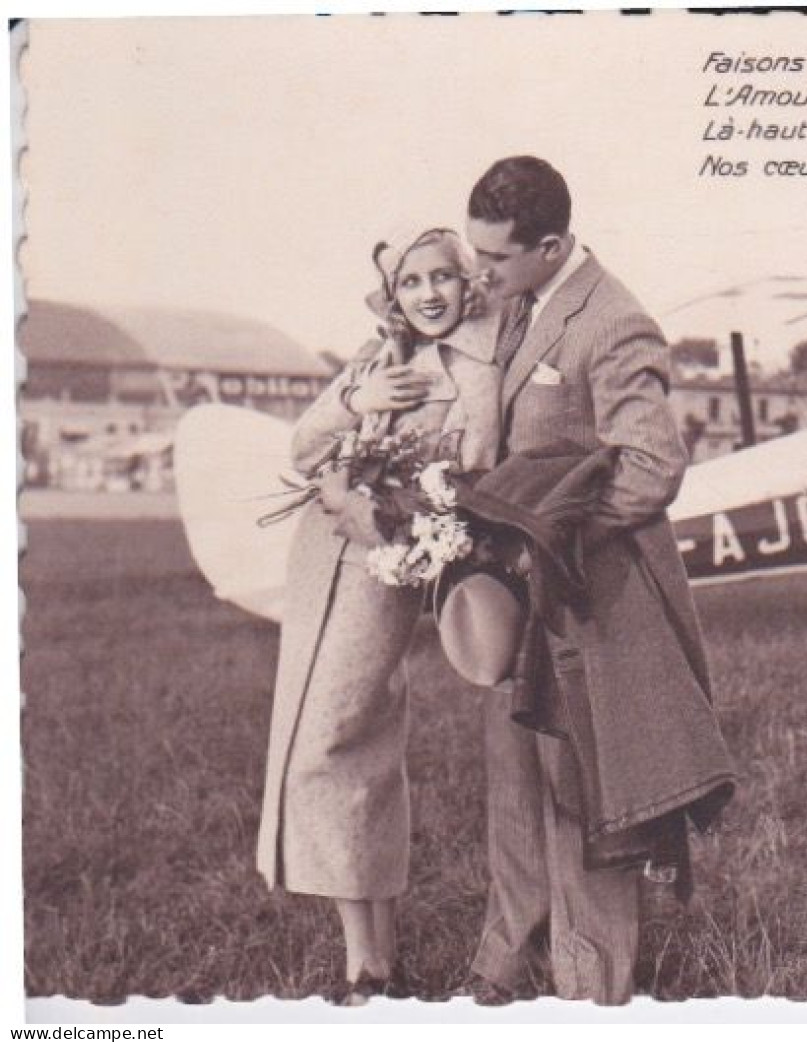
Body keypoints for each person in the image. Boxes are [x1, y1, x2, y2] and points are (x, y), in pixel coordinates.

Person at [463, 156, 735, 1004]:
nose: (482, 274)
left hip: (587, 600)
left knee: (584, 797)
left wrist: (551, 534)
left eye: (495, 260)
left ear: (551, 246)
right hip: (519, 598)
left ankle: (590, 993)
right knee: (513, 784)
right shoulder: (519, 304)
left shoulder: (613, 320)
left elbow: (651, 467)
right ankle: (508, 962)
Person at [255, 228, 501, 1004]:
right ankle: (367, 955)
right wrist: (356, 401)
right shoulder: (376, 359)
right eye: (410, 283)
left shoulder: (481, 371)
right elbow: (301, 448)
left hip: (384, 567)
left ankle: (373, 962)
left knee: (336, 742)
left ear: (469, 283)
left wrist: (375, 506)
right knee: (323, 743)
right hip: (318, 562)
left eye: (442, 278)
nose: (427, 295)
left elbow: (473, 483)